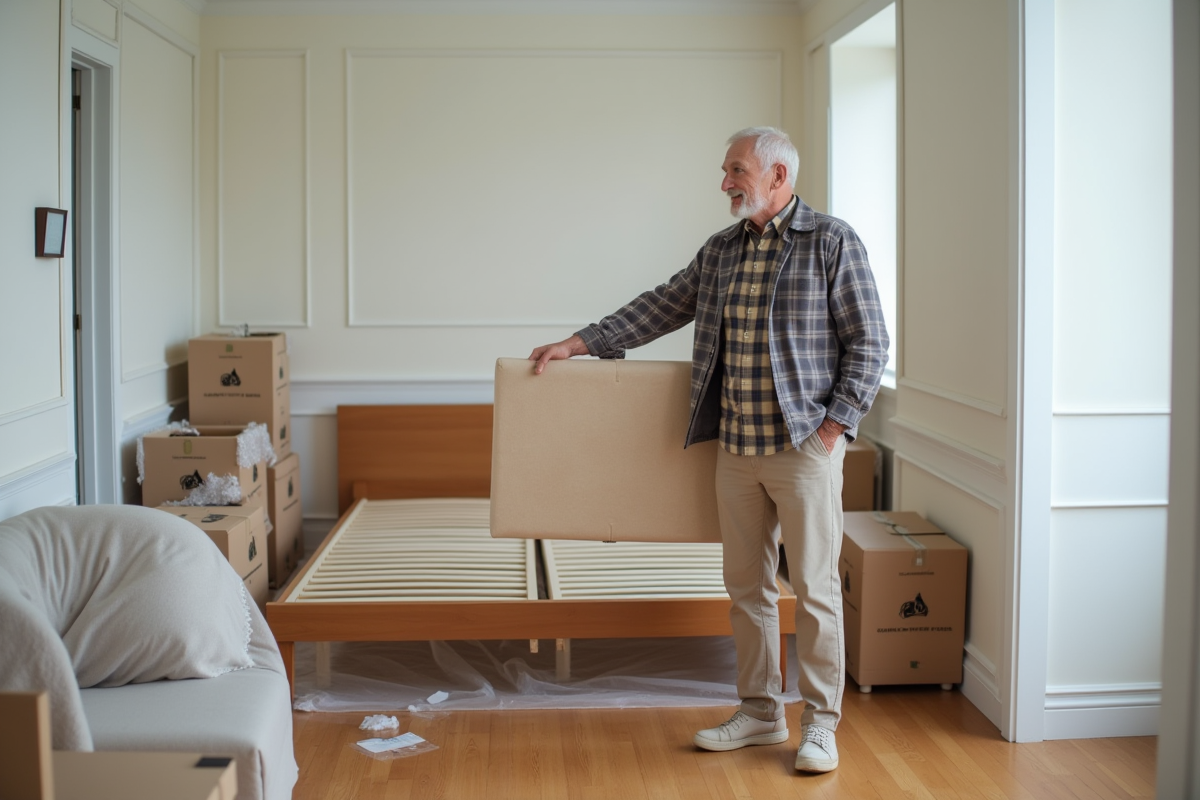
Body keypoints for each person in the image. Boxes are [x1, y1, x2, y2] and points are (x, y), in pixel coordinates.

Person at [529, 126, 888, 774]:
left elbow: (869, 343)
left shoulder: (832, 242)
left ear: (779, 177)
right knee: (746, 589)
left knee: (813, 591)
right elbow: (661, 306)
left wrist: (832, 430)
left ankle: (822, 727)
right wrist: (577, 343)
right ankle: (759, 713)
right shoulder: (721, 251)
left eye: (736, 170)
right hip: (736, 449)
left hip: (805, 450)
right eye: (726, 171)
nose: (725, 182)